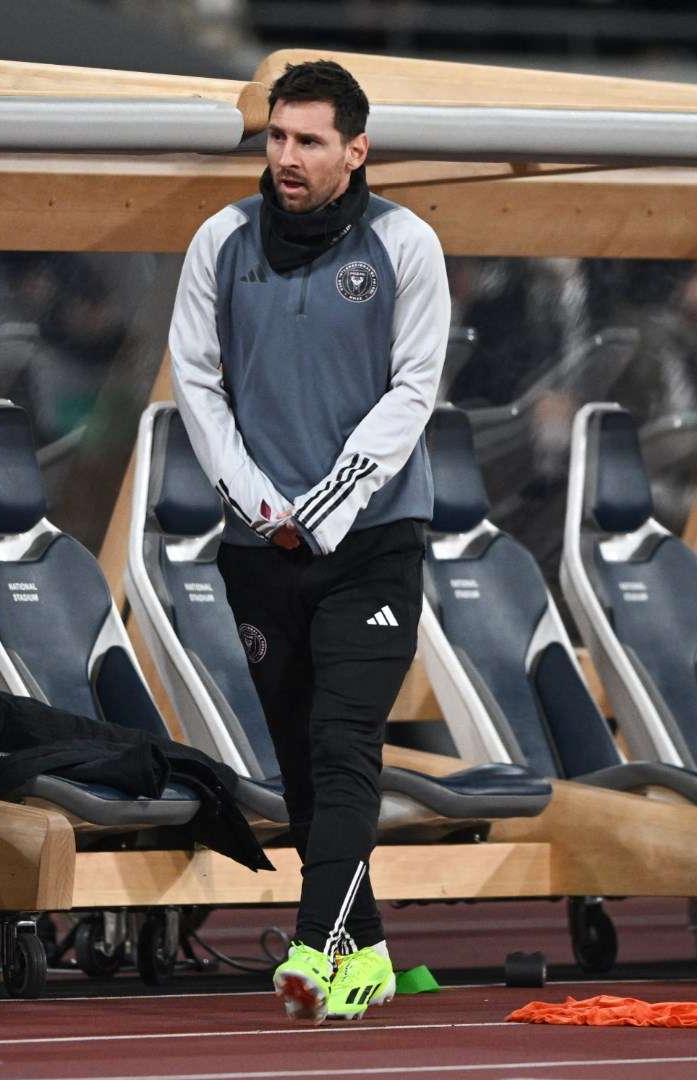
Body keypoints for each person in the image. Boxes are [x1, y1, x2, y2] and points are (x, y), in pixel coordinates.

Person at [167, 59, 449, 1023]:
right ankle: (364, 947)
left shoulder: (407, 243)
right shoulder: (220, 239)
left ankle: (317, 952)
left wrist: (323, 506)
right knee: (297, 759)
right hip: (259, 548)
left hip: (372, 541)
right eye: (276, 137)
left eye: (309, 140)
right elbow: (196, 384)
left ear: (355, 150)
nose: (285, 157)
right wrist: (256, 505)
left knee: (342, 745)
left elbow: (413, 391)